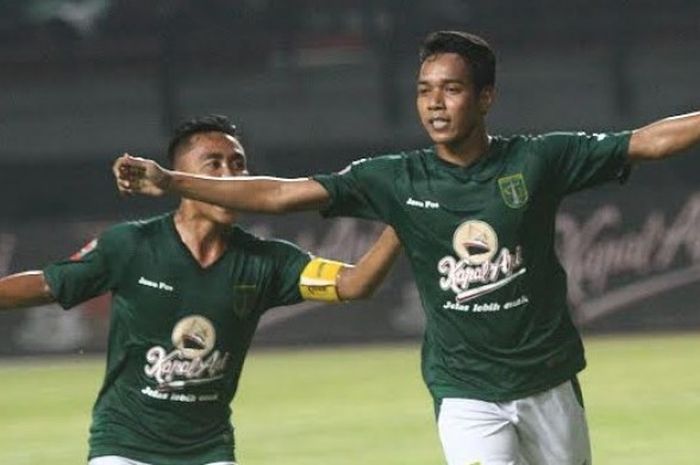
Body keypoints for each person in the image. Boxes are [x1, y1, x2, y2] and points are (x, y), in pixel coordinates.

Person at [113, 31, 700, 465]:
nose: (435, 103)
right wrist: (172, 181)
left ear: (486, 97)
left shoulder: (537, 161)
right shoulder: (394, 178)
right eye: (424, 91)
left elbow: (645, 142)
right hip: (465, 389)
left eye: (451, 89)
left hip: (549, 381)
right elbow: (282, 194)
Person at [0, 114, 402, 465]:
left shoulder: (269, 261)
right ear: (183, 178)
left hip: (207, 452)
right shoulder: (130, 245)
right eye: (214, 164)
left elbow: (354, 284)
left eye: (238, 165)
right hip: (123, 447)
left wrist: (402, 223)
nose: (231, 177)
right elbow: (46, 285)